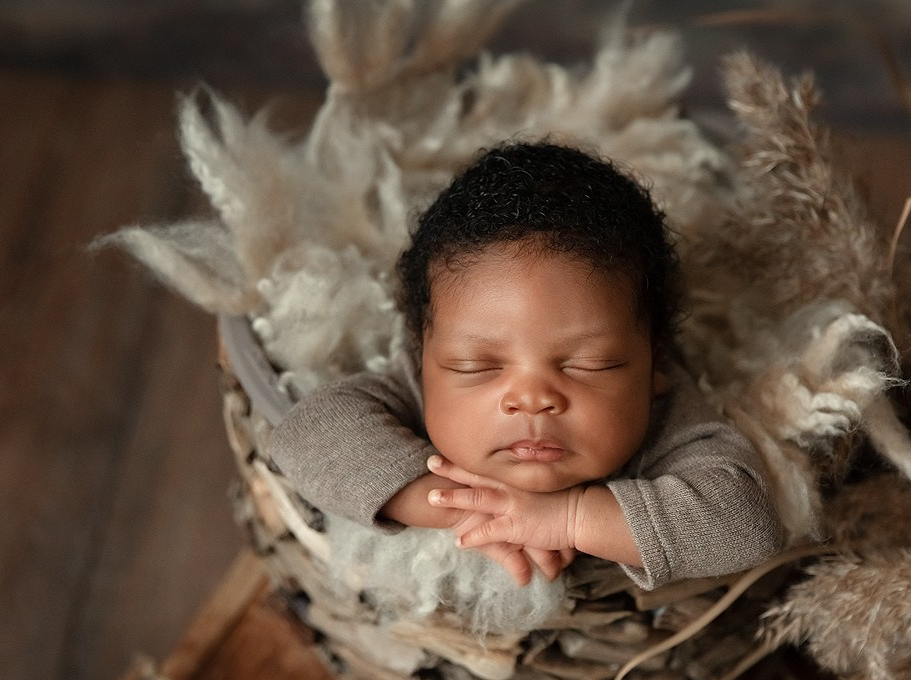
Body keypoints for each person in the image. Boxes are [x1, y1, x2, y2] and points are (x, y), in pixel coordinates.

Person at [268, 141, 784, 589]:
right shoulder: (421, 384)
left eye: (591, 364)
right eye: (477, 365)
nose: (533, 398)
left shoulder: (664, 415)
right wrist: (461, 506)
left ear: (654, 361)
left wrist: (570, 518)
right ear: (424, 356)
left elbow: (746, 524)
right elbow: (304, 433)